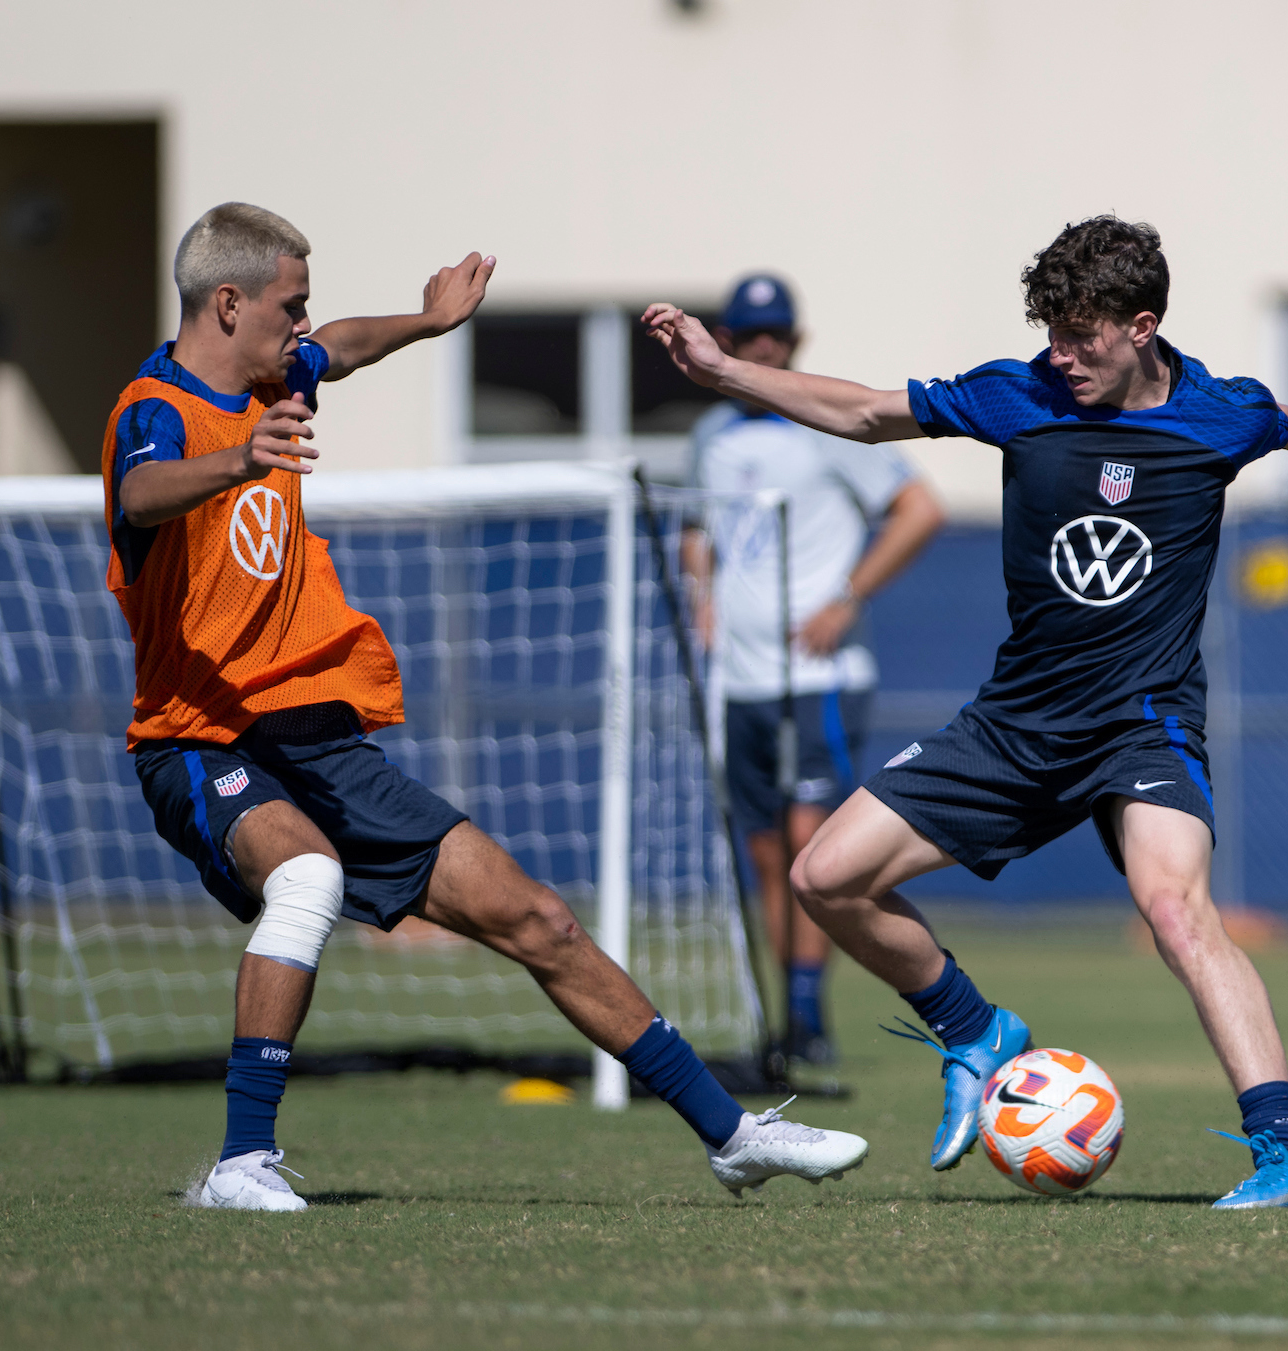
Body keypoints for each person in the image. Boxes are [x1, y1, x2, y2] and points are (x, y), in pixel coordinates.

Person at [104, 203, 866, 1212]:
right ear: (228, 301)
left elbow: (338, 348)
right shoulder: (154, 408)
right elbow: (140, 492)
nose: (305, 328)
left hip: (315, 740)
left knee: (539, 918)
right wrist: (240, 461)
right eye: (290, 307)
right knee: (306, 879)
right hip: (199, 737)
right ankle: (242, 1163)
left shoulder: (277, 374)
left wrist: (426, 325)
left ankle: (732, 1134)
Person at [647, 216, 1288, 1208]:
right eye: (1052, 333)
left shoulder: (1220, 415)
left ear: (1143, 326)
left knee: (1177, 909)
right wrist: (724, 373)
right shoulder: (1017, 394)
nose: (1060, 357)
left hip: (1140, 725)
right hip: (1015, 722)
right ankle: (976, 1031)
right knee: (825, 875)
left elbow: (1280, 419)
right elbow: (859, 411)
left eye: (1082, 338)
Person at [685, 274, 946, 1066]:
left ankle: (807, 1014)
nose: (764, 349)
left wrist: (847, 597)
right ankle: (784, 1014)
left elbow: (920, 508)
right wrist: (700, 590)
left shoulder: (822, 426)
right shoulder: (710, 436)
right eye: (748, 337)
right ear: (726, 344)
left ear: (794, 344)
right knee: (764, 849)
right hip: (741, 677)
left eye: (777, 338)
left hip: (817, 677)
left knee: (810, 845)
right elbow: (700, 529)